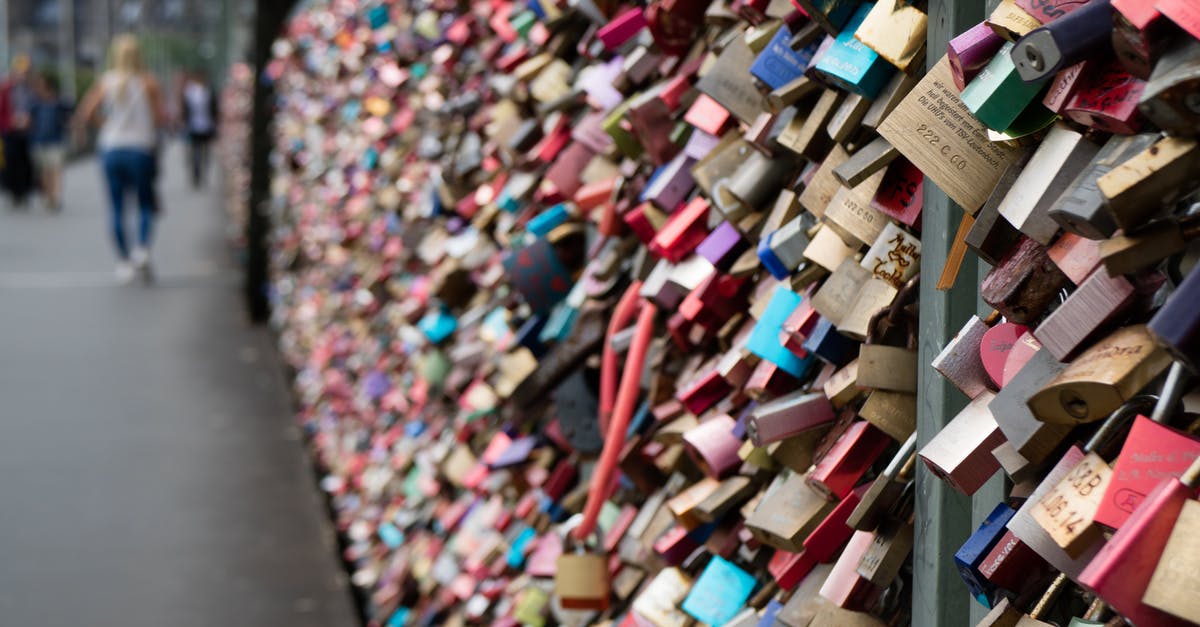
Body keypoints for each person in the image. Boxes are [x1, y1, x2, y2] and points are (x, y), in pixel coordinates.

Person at [72, 35, 167, 284]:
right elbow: (160, 119)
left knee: (116, 207)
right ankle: (142, 249)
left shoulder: (106, 82)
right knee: (145, 203)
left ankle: (124, 261)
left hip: (112, 148)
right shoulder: (148, 82)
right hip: (141, 148)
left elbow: (86, 112)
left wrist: (107, 126)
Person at [29, 73, 71, 211]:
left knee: (55, 170)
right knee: (44, 172)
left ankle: (54, 198)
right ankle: (47, 196)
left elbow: (69, 118)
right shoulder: (35, 103)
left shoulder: (59, 102)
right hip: (38, 141)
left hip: (56, 140)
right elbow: (30, 121)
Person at [1, 56, 36, 208]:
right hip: (10, 130)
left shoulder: (32, 88)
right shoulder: (6, 88)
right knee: (11, 162)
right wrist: (11, 122)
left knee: (27, 163)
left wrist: (29, 120)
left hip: (28, 131)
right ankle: (14, 192)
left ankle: (25, 191)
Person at [180, 70, 217, 188]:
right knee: (197, 151)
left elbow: (214, 108)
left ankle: (200, 173)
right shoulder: (191, 92)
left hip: (203, 126)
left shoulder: (206, 91)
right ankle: (198, 174)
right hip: (196, 126)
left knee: (202, 151)